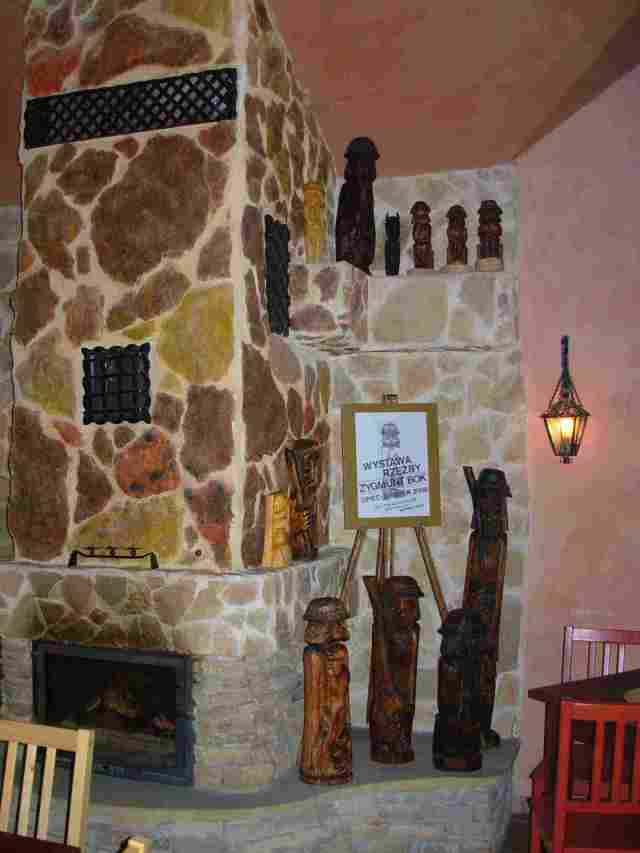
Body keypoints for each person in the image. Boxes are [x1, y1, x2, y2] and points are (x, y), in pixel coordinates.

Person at [299, 597, 352, 784]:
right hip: (324, 712)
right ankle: (316, 765)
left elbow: (344, 682)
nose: (343, 627)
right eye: (338, 623)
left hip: (338, 706)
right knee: (324, 735)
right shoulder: (313, 655)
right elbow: (313, 704)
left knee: (340, 735)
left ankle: (335, 762)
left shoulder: (341, 651)